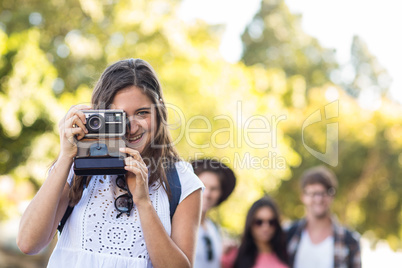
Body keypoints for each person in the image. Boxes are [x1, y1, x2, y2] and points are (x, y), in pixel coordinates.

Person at [17, 58, 204, 268]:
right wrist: (66, 157)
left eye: (142, 113)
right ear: (101, 115)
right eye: (120, 116)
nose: (131, 127)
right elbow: (27, 243)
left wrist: (143, 201)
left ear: (159, 111)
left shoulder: (181, 181)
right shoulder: (77, 167)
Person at [286, 165, 361, 268]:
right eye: (313, 194)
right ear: (303, 197)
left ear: (332, 196)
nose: (318, 199)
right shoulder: (288, 234)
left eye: (323, 193)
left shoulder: (350, 240)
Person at [191, 159, 236, 268]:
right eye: (203, 186)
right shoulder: (177, 224)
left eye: (214, 188)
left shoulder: (213, 228)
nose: (207, 194)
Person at [222, 196, 288, 268]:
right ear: (250, 224)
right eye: (259, 222)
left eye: (271, 222)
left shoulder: (287, 253)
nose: (265, 228)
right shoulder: (234, 256)